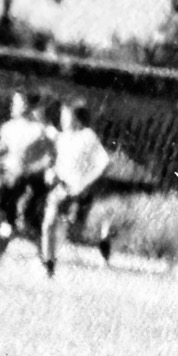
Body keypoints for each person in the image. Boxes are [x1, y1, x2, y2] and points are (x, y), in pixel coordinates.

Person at [0, 91, 54, 265]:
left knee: (19, 224)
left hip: (28, 183)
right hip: (9, 179)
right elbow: (0, 150)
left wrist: (29, 169)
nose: (12, 106)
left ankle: (44, 258)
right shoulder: (9, 127)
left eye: (16, 103)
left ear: (27, 106)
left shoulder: (40, 130)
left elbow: (49, 159)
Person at [40, 101, 114, 278]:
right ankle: (49, 266)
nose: (63, 120)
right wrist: (52, 173)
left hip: (79, 192)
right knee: (49, 222)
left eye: (66, 116)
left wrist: (85, 184)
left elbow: (104, 163)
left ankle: (103, 239)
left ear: (77, 118)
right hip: (61, 189)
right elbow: (56, 162)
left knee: (75, 231)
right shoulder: (62, 138)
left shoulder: (87, 136)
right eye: (62, 116)